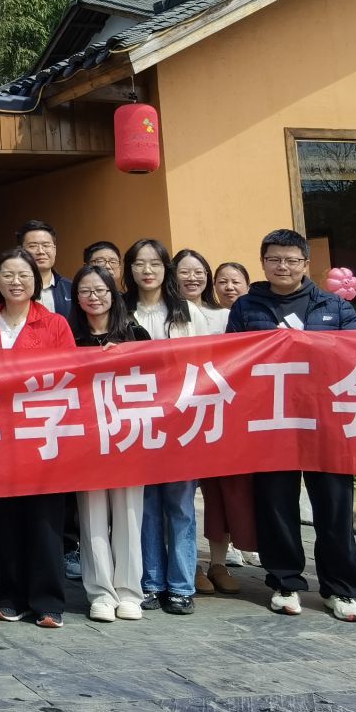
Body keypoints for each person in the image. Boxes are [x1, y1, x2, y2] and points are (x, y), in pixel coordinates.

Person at [228, 228, 356, 622]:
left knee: (335, 508)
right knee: (276, 506)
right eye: (274, 259)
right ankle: (285, 581)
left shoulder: (334, 306)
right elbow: (231, 359)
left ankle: (340, 589)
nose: (282, 266)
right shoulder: (247, 307)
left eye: (291, 260)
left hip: (327, 422)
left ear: (305, 263)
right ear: (263, 263)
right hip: (271, 421)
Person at [0, 247, 76, 628]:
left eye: (23, 275)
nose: (16, 281)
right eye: (7, 274)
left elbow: (71, 374)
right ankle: (10, 597)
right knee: (7, 520)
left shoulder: (55, 324)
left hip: (43, 432)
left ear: (35, 281)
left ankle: (48, 601)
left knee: (45, 520)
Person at [124, 239, 214, 616]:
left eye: (155, 264)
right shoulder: (122, 310)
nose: (147, 271)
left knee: (180, 505)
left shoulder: (188, 312)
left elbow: (207, 367)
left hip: (181, 420)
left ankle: (180, 585)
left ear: (166, 269)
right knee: (145, 505)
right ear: (129, 270)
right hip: (137, 421)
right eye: (139, 264)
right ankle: (151, 581)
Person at [70, 264, 151, 622]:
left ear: (113, 294)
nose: (94, 297)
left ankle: (130, 592)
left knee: (129, 515)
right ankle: (101, 593)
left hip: (128, 438)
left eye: (100, 290)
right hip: (85, 441)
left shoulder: (135, 332)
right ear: (76, 298)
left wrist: (127, 358)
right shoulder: (69, 337)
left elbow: (158, 378)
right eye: (85, 291)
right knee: (92, 518)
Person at [200, 258, 259, 591]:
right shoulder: (203, 317)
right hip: (204, 413)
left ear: (248, 285)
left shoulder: (256, 317)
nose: (229, 286)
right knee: (213, 494)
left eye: (236, 281)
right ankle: (214, 561)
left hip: (244, 415)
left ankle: (240, 550)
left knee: (240, 490)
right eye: (222, 281)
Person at [0, 221, 74, 317]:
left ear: (55, 249)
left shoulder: (70, 288)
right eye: (33, 246)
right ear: (20, 250)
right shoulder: (7, 290)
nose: (40, 251)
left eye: (46, 245)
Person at [172, 248, 228, 332]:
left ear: (207, 276)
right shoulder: (163, 315)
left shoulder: (224, 315)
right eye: (184, 272)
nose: (192, 278)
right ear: (172, 276)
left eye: (198, 272)